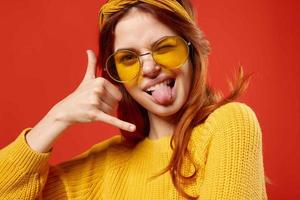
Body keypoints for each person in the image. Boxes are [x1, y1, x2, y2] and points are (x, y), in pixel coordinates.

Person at [0, 0, 268, 199]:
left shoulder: (229, 125)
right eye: (128, 58)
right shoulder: (105, 165)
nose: (150, 68)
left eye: (165, 47)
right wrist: (58, 117)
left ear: (192, 51)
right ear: (117, 76)